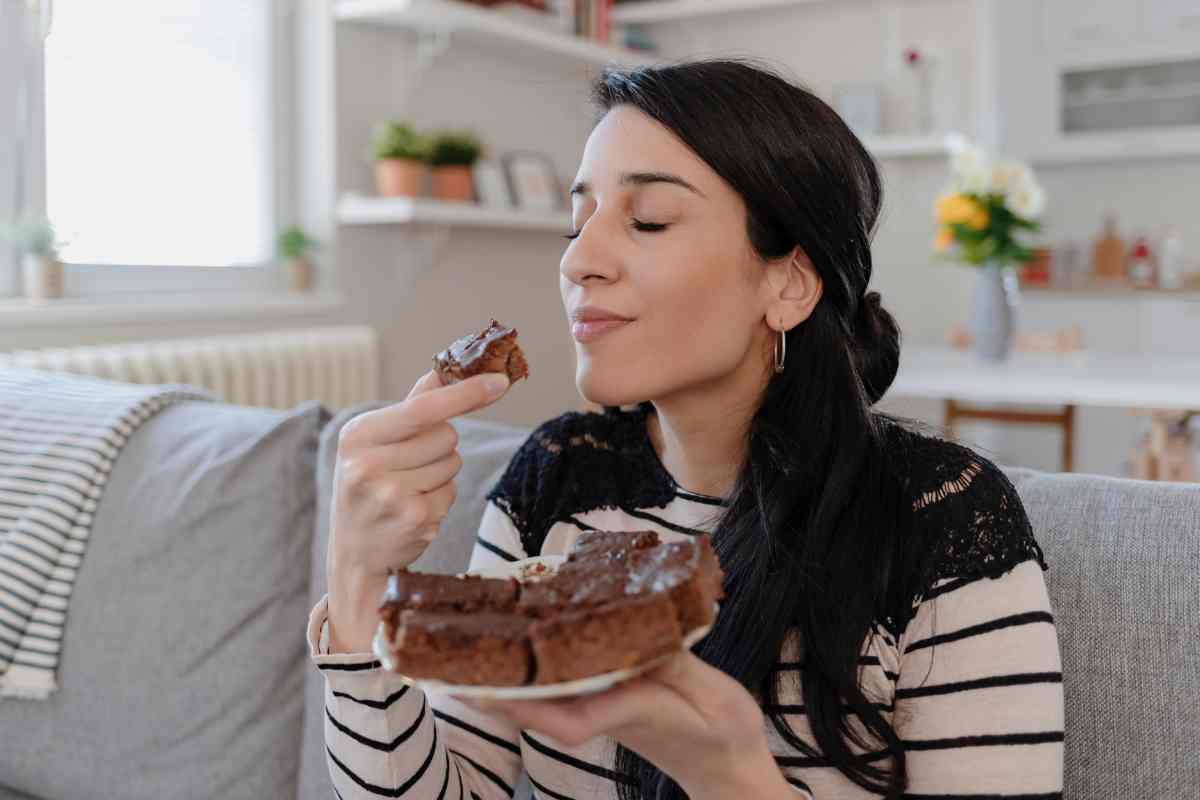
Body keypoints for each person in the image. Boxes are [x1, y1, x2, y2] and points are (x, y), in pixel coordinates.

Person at [309, 59, 1064, 800]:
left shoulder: (942, 521)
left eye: (649, 220)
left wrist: (726, 777)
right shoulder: (557, 479)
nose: (579, 260)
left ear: (789, 283)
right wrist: (355, 576)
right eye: (578, 222)